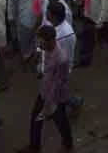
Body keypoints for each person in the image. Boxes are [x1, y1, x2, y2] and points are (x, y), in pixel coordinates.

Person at [26, 24, 72, 153]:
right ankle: (34, 146)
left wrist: (48, 105)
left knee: (60, 120)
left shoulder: (61, 59)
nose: (39, 44)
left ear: (51, 41)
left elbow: (59, 83)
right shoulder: (45, 50)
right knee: (35, 116)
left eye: (41, 42)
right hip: (44, 91)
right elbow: (44, 67)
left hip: (56, 96)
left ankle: (67, 144)